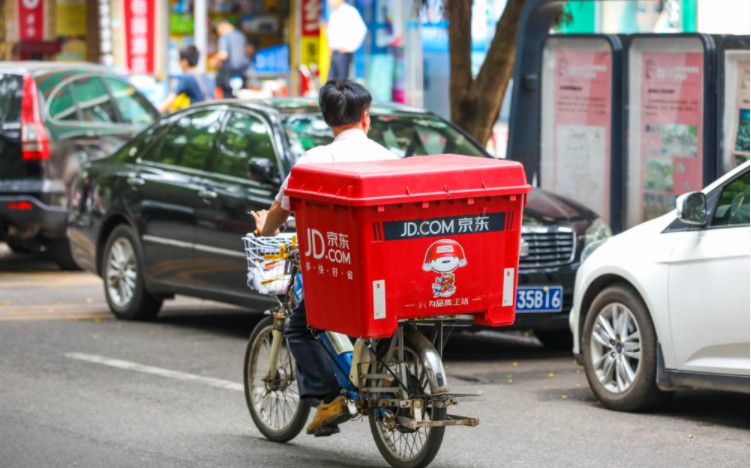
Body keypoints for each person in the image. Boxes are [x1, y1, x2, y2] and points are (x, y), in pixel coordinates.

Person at [250, 79, 397, 436]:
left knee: (300, 329)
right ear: (365, 117)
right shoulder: (390, 160)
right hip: (389, 274)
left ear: (328, 119)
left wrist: (262, 230)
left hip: (336, 274)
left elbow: (279, 212)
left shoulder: (312, 161)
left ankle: (330, 397)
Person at [159, 45, 214, 114]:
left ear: (184, 61)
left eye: (179, 60)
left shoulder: (187, 78)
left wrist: (158, 113)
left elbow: (170, 99)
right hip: (209, 115)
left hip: (197, 117)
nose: (179, 64)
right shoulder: (207, 76)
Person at [325, 0, 367, 80]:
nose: (329, 1)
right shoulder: (334, 13)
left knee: (342, 83)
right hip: (334, 52)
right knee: (331, 82)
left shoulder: (350, 12)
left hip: (343, 53)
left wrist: (350, 47)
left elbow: (361, 29)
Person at [211, 20, 248, 98]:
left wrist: (214, 61)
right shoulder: (241, 36)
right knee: (240, 97)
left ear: (222, 27)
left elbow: (223, 55)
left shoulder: (225, 36)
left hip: (228, 75)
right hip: (241, 73)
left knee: (228, 99)